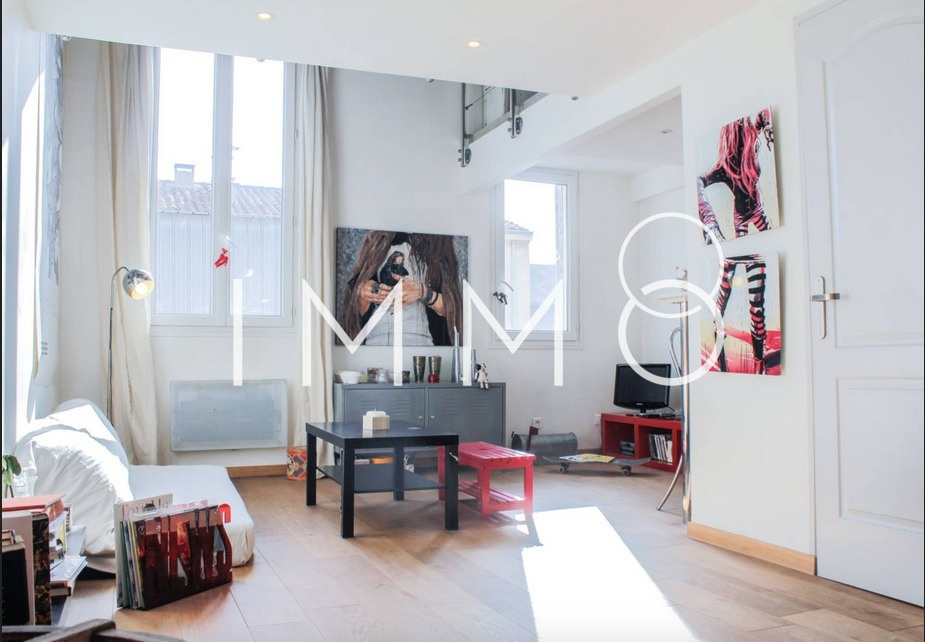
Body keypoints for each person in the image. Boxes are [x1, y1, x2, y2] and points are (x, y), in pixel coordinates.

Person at [340, 231, 463, 346]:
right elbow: (352, 312)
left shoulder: (438, 242)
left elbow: (454, 310)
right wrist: (363, 296)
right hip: (377, 341)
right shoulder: (377, 240)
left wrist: (423, 292)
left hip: (421, 341)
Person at [697, 108, 774, 244]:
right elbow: (699, 181)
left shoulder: (750, 143)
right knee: (745, 252)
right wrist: (710, 223)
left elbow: (764, 114)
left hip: (757, 210)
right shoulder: (725, 167)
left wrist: (767, 126)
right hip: (741, 219)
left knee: (771, 243)